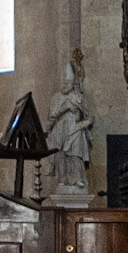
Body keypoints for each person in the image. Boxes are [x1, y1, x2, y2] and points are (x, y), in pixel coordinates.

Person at [47, 49, 94, 190]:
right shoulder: (56, 97)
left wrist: (82, 125)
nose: (63, 86)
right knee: (61, 156)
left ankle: (78, 178)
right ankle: (63, 179)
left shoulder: (78, 97)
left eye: (66, 83)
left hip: (75, 129)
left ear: (72, 83)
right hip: (60, 129)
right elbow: (51, 116)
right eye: (62, 83)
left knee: (75, 153)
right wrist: (64, 107)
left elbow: (90, 117)